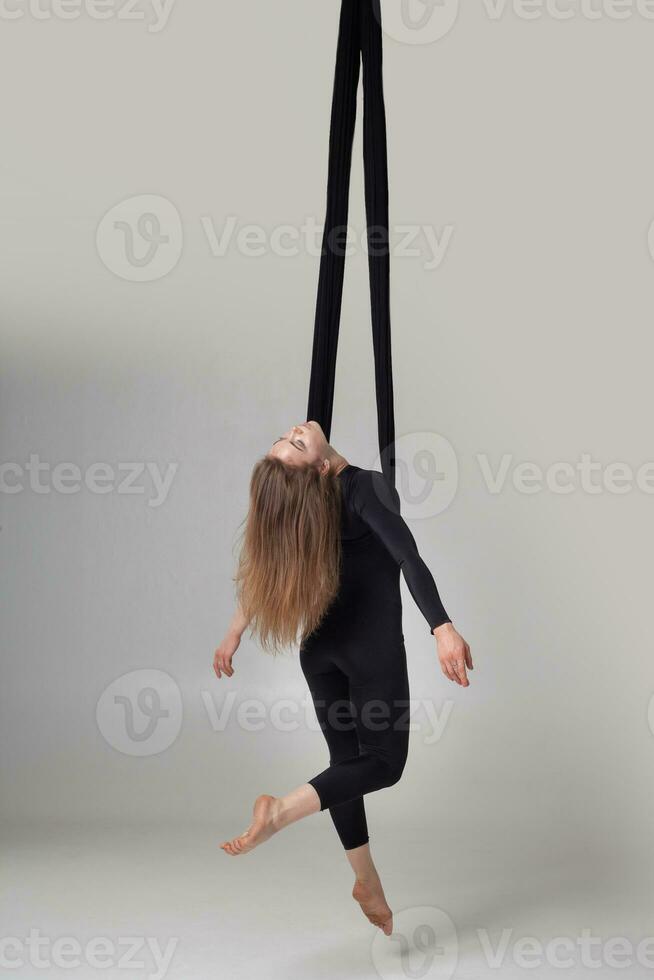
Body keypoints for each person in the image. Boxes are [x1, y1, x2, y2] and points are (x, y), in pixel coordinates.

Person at [213, 420, 472, 934]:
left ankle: (366, 880)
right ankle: (282, 811)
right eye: (293, 444)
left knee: (344, 768)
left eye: (284, 437)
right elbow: (407, 556)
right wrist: (442, 627)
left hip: (320, 653)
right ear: (322, 468)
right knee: (382, 763)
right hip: (369, 654)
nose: (294, 430)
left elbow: (264, 569)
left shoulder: (308, 504)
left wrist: (233, 634)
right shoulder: (363, 488)